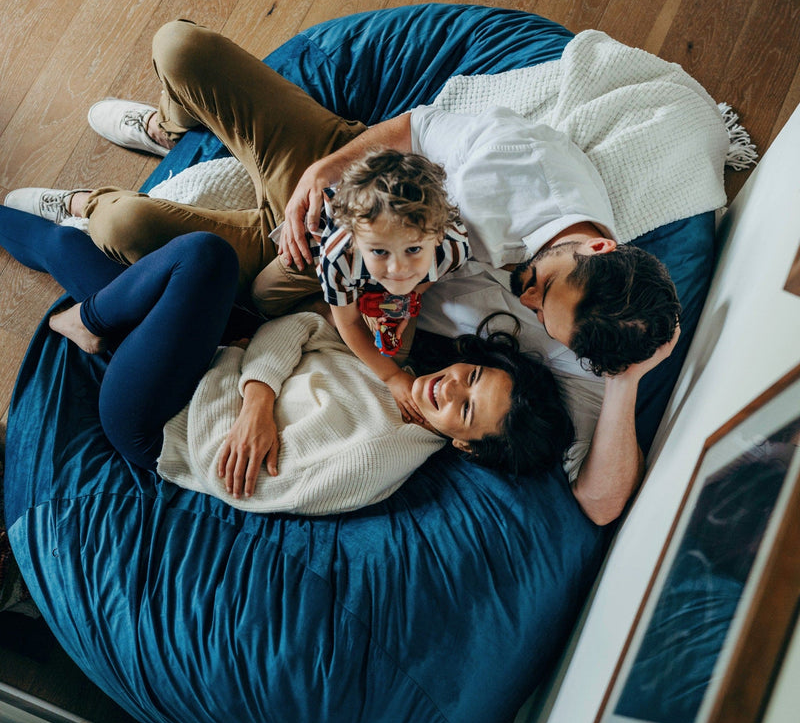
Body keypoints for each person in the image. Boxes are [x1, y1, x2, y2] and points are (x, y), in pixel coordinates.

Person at [2, 19, 680, 523]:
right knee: (181, 48)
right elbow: (414, 129)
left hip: (298, 307)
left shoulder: (576, 353)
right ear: (597, 251)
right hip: (363, 194)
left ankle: (87, 209)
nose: (526, 299)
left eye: (542, 321)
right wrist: (324, 175)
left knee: (125, 229)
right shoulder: (526, 163)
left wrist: (627, 380)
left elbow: (601, 503)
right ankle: (172, 130)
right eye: (544, 287)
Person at [0, 209, 574, 513]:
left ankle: (90, 322)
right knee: (66, 246)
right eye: (471, 377)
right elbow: (297, 327)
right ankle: (96, 317)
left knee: (205, 258)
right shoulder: (397, 366)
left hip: (162, 421)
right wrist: (259, 398)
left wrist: (247, 396)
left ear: (466, 446)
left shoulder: (376, 458)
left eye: (465, 410)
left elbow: (243, 479)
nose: (448, 388)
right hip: (210, 359)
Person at [253, 148, 470, 421]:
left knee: (393, 355)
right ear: (356, 242)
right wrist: (391, 378)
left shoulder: (453, 248)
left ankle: (336, 304)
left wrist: (407, 298)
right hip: (319, 256)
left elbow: (430, 275)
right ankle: (334, 304)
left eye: (413, 249)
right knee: (263, 297)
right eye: (380, 252)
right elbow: (349, 324)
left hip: (368, 285)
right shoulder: (339, 255)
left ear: (437, 236)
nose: (398, 269)